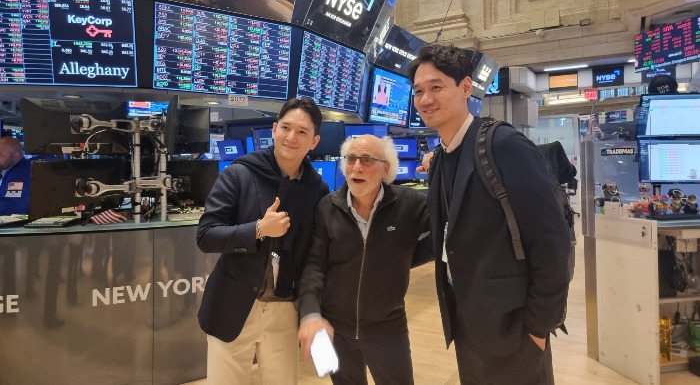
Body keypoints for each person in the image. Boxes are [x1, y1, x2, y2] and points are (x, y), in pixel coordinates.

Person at [407, 44, 570, 385]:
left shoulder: (503, 145)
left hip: (515, 328)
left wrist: (538, 329)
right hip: (467, 321)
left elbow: (551, 242)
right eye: (419, 91)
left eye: (436, 87)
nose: (425, 99)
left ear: (466, 87)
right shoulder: (441, 158)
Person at [196, 97, 330, 385]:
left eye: (303, 132)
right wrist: (258, 229)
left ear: (314, 141)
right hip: (233, 303)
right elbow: (206, 236)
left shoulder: (317, 191)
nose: (291, 137)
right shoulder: (240, 173)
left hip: (284, 308)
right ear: (274, 129)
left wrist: (312, 311)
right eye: (286, 127)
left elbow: (313, 259)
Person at [297, 134, 432, 385]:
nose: (357, 167)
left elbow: (447, 229)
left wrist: (402, 258)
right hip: (337, 329)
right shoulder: (327, 207)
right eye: (351, 159)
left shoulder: (409, 204)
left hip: (388, 328)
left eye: (367, 160)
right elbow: (314, 266)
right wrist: (310, 314)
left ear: (386, 168)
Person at [0, 137, 32, 215]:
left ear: (16, 156)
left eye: (0, 154)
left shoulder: (21, 175)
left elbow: (13, 208)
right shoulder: (9, 170)